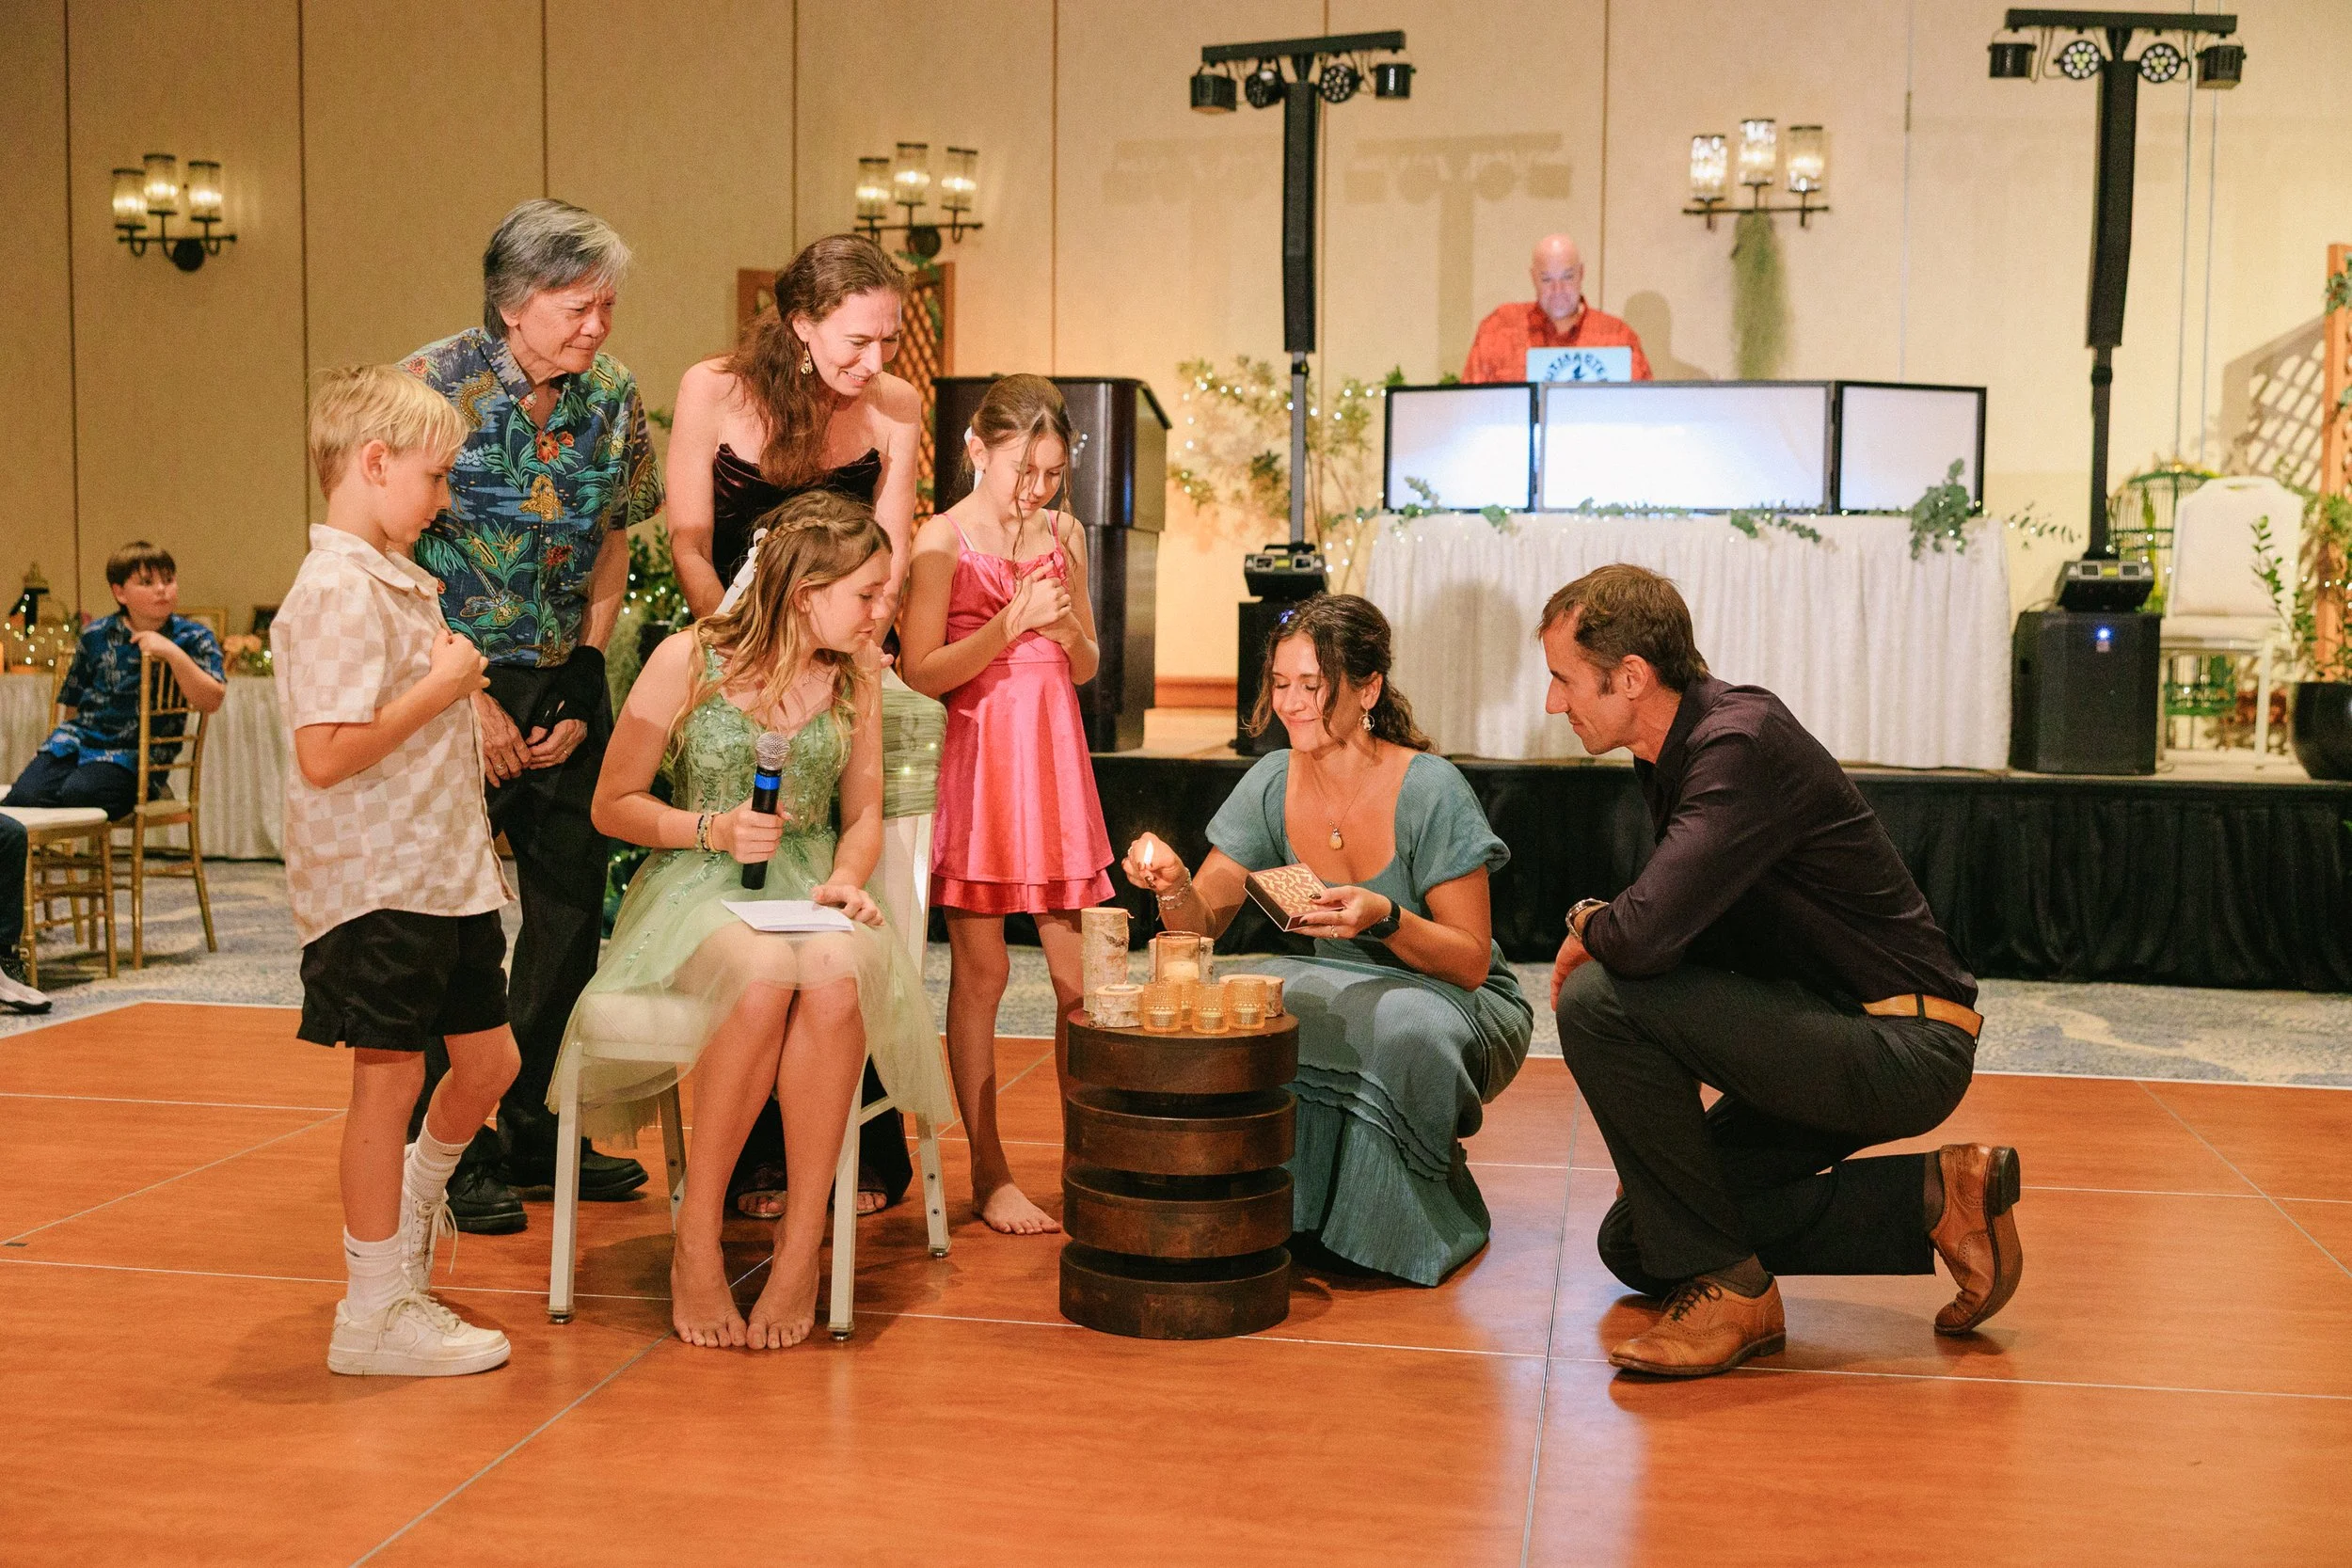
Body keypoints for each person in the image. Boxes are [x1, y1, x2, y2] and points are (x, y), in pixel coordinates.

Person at [1540, 564, 2022, 1379]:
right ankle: (1940, 1198)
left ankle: (1736, 1292)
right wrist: (1616, 930)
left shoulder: (1739, 743)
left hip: (1904, 1040)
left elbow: (1647, 935)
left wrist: (1589, 922)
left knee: (1596, 998)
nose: (1554, 703)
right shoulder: (1675, 753)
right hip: (1825, 1029)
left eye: (1563, 679)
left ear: (1630, 677)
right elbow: (1677, 928)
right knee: (1640, 1241)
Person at [552, 490, 952, 1349]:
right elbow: (611, 804)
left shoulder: (857, 679)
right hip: (701, 875)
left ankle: (801, 1240)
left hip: (809, 879)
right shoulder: (687, 659)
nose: (885, 611)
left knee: (839, 979)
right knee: (766, 974)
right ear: (807, 592)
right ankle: (698, 1232)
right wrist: (713, 827)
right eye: (868, 593)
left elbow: (863, 815)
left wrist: (848, 878)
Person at [1120, 595, 1534, 1285]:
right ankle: (1277, 1208)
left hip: (1453, 997)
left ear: (1367, 687)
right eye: (1280, 684)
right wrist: (1171, 883)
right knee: (1244, 1000)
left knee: (1400, 1024)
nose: (1291, 702)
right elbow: (1201, 923)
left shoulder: (1430, 788)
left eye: (1311, 685)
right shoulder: (1273, 780)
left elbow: (1468, 960)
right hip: (1350, 991)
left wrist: (1385, 918)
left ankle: (1402, 1225)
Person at [400, 198, 664, 1232]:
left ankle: (531, 1124)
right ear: (513, 305)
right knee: (459, 927)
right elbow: (395, 553)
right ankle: (450, 1146)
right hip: (448, 684)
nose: (598, 324)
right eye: (577, 304)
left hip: (565, 678)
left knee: (565, 919)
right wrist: (467, 697)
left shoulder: (613, 396)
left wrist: (585, 673)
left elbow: (610, 536)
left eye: (606, 304)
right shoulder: (429, 387)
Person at [663, 233, 936, 1220]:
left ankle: (854, 1144)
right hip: (735, 660)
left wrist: (853, 650)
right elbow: (691, 536)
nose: (874, 364)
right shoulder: (713, 389)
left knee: (845, 882)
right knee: (749, 886)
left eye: (884, 341)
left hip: (846, 661)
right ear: (800, 324)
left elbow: (893, 556)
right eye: (856, 342)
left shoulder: (895, 410)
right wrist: (735, 645)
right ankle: (745, 1162)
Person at [274, 365, 520, 1376]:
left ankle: (412, 1207)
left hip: (439, 866)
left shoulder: (386, 575)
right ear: (374, 465)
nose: (446, 497)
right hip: (376, 876)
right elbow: (327, 750)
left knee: (489, 1063)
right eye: (436, 474)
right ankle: (370, 1309)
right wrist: (448, 684)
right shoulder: (332, 586)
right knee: (391, 1079)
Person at [899, 373, 1112, 1236]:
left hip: (1054, 760)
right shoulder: (940, 538)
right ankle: (988, 1169)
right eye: (1022, 471)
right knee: (982, 972)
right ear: (975, 450)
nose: (1037, 491)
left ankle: (1089, 1161)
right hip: (982, 761)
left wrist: (1062, 632)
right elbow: (920, 669)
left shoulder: (1065, 532)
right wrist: (1009, 624)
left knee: (1080, 978)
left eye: (1052, 472)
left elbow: (1090, 661)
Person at [0, 541, 225, 1013]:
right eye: (148, 582)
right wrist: (63, 744)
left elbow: (212, 698)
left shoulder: (192, 637)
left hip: (134, 760)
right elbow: (73, 703)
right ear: (120, 592)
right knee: (22, 797)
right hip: (78, 745)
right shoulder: (98, 634)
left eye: (168, 579)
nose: (163, 590)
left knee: (83, 795)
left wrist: (170, 654)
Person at [1461, 233, 1653, 385]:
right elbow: (1473, 406)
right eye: (1547, 279)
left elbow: (1643, 410)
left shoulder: (1617, 337)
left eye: (1567, 277)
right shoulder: (1500, 329)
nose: (1558, 290)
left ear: (1581, 274)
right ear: (1533, 277)